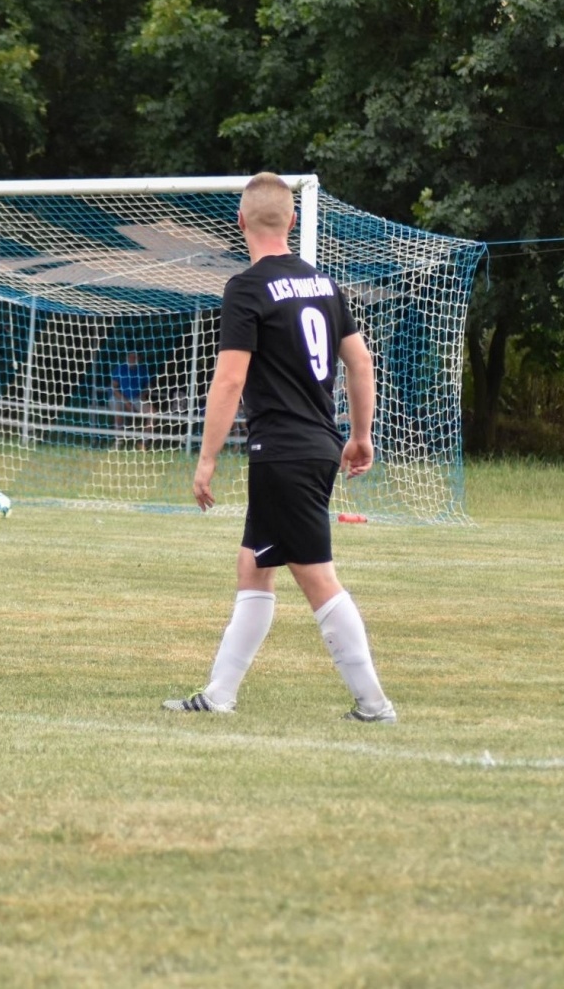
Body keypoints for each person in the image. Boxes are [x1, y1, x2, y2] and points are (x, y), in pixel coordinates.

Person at [163, 172, 394, 723]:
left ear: (240, 221)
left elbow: (229, 380)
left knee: (316, 577)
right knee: (254, 566)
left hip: (283, 453)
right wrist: (360, 435)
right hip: (317, 444)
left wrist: (206, 459)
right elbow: (361, 363)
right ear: (292, 221)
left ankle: (374, 703)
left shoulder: (246, 288)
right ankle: (219, 694)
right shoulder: (324, 285)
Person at [110, 351, 153, 443]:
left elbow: (149, 387)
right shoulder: (120, 369)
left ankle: (144, 442)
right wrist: (127, 403)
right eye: (130, 357)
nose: (132, 359)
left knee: (152, 412)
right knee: (118, 411)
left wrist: (143, 394)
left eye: (135, 357)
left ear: (139, 359)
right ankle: (118, 441)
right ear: (126, 357)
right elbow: (114, 389)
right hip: (118, 397)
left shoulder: (142, 370)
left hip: (136, 398)